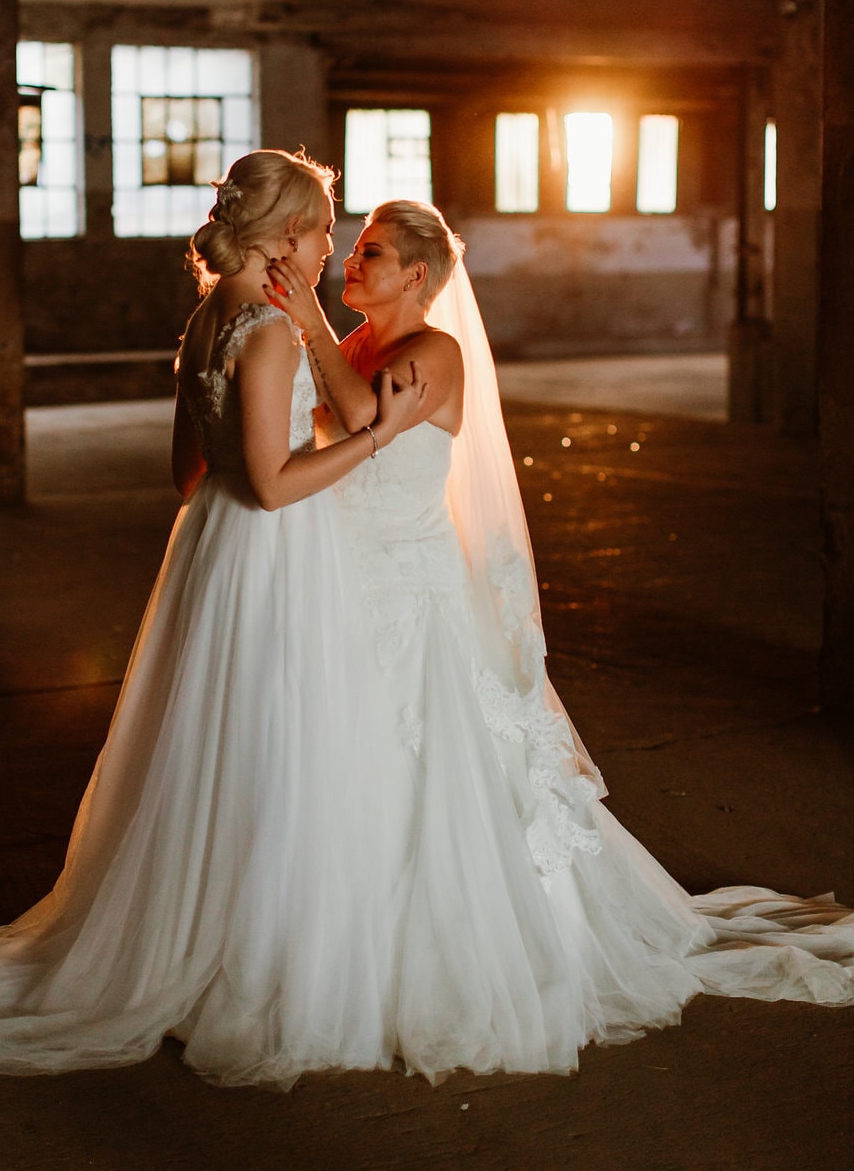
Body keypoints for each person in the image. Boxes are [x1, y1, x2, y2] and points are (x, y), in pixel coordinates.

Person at [0, 149, 427, 1085]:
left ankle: (218, 920)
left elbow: (188, 474)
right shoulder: (272, 331)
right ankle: (254, 953)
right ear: (288, 234)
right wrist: (373, 437)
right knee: (281, 743)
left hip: (212, 549)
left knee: (219, 744)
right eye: (328, 227)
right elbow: (279, 488)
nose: (333, 244)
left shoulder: (207, 319)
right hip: (272, 555)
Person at [266, 198, 854, 1081]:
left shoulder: (434, 352)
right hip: (355, 584)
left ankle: (463, 945)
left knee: (440, 773)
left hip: (418, 597)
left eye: (372, 253)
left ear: (418, 277)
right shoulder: (351, 346)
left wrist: (306, 318)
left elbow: (358, 426)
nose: (351, 263)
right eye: (352, 250)